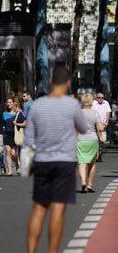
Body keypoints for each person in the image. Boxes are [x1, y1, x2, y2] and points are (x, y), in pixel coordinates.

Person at [24, 65, 88, 253]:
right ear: (68, 83)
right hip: (65, 162)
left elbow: (29, 138)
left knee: (39, 208)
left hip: (42, 160)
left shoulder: (37, 105)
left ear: (51, 82)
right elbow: (83, 128)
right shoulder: (72, 104)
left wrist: (25, 166)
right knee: (58, 209)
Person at [77, 93, 104, 193]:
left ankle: (83, 182)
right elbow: (100, 128)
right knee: (92, 163)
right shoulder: (95, 113)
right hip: (92, 139)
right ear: (92, 102)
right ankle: (90, 185)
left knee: (82, 162)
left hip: (80, 139)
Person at [1, 98, 25, 176]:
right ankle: (10, 171)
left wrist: (17, 124)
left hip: (14, 134)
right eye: (8, 102)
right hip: (6, 134)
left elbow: (24, 123)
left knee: (13, 153)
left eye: (10, 102)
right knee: (8, 152)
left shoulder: (17, 113)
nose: (9, 103)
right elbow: (3, 124)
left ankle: (18, 164)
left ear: (13, 103)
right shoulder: (4, 113)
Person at [92, 92, 111, 162]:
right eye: (99, 98)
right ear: (96, 98)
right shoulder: (93, 103)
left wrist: (107, 122)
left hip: (103, 124)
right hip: (94, 124)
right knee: (96, 140)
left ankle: (99, 150)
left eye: (102, 98)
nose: (100, 99)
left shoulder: (106, 103)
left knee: (102, 140)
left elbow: (108, 112)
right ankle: (97, 154)